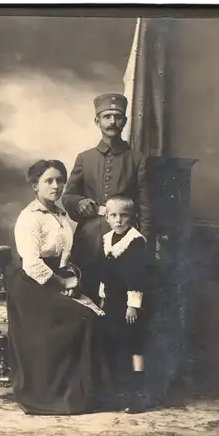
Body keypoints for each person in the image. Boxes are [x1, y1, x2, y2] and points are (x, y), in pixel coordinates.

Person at [7, 159, 109, 415]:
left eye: (60, 180)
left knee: (94, 312)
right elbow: (32, 264)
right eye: (48, 181)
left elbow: (63, 256)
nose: (56, 186)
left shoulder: (60, 214)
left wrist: (70, 276)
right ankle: (52, 394)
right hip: (31, 288)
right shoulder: (30, 218)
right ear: (35, 185)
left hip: (54, 282)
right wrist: (62, 282)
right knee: (83, 317)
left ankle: (82, 393)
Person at [62, 93, 151, 304]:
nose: (112, 122)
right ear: (97, 121)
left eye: (117, 117)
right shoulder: (85, 158)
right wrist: (79, 203)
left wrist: (144, 240)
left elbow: (146, 205)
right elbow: (68, 197)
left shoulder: (137, 159)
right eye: (107, 116)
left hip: (124, 238)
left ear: (125, 122)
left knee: (118, 298)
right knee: (87, 293)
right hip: (90, 238)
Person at [98, 195, 148, 413]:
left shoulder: (136, 241)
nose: (118, 220)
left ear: (132, 217)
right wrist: (102, 296)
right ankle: (117, 393)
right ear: (107, 217)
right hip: (112, 301)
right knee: (115, 344)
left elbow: (137, 275)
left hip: (129, 303)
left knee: (133, 345)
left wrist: (133, 305)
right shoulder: (107, 238)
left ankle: (137, 394)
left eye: (123, 215)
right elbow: (105, 272)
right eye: (113, 215)